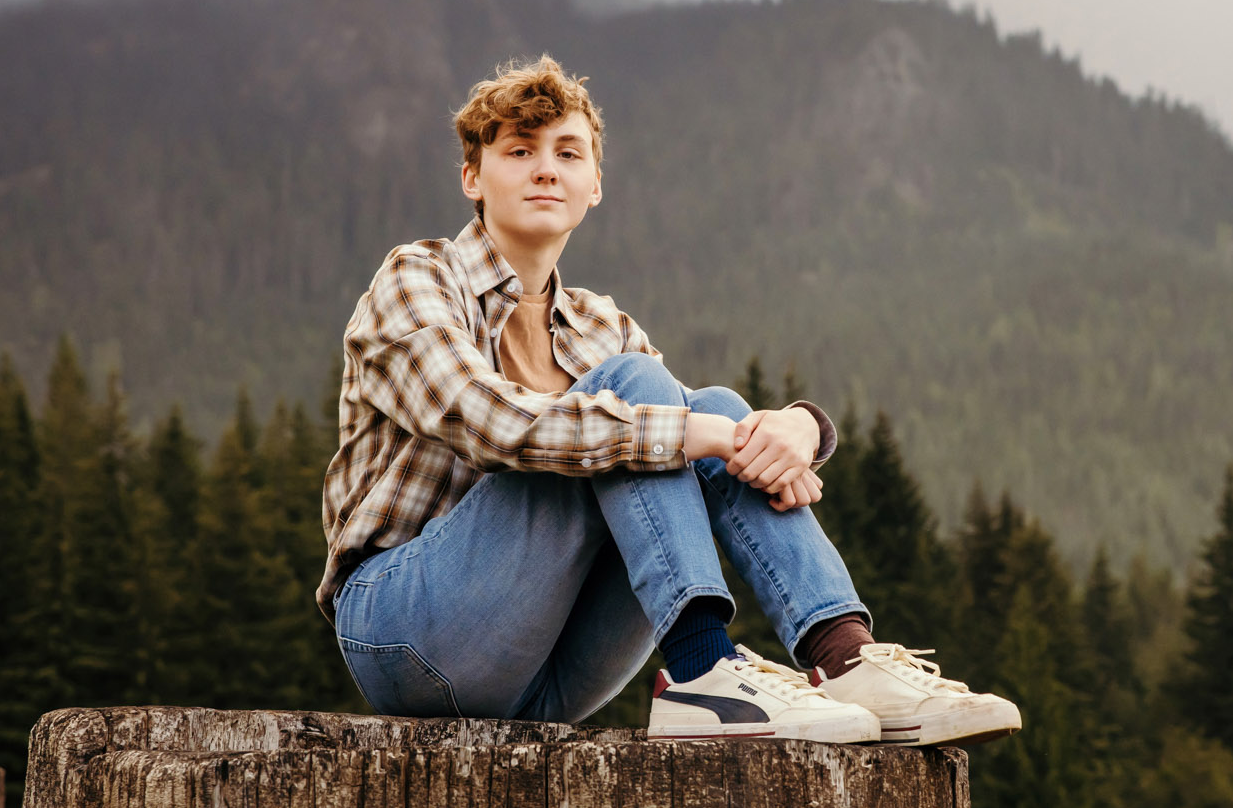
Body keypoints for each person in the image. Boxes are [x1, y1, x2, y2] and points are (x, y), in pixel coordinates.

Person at [318, 55, 1021, 746]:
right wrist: (703, 431)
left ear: (595, 184)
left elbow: (702, 448)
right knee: (653, 407)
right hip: (405, 634)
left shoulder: (601, 325)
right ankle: (704, 670)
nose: (545, 168)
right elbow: (489, 423)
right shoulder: (417, 279)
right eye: (519, 149)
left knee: (693, 407)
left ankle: (844, 657)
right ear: (473, 175)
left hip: (548, 676)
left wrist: (801, 427)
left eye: (569, 152)